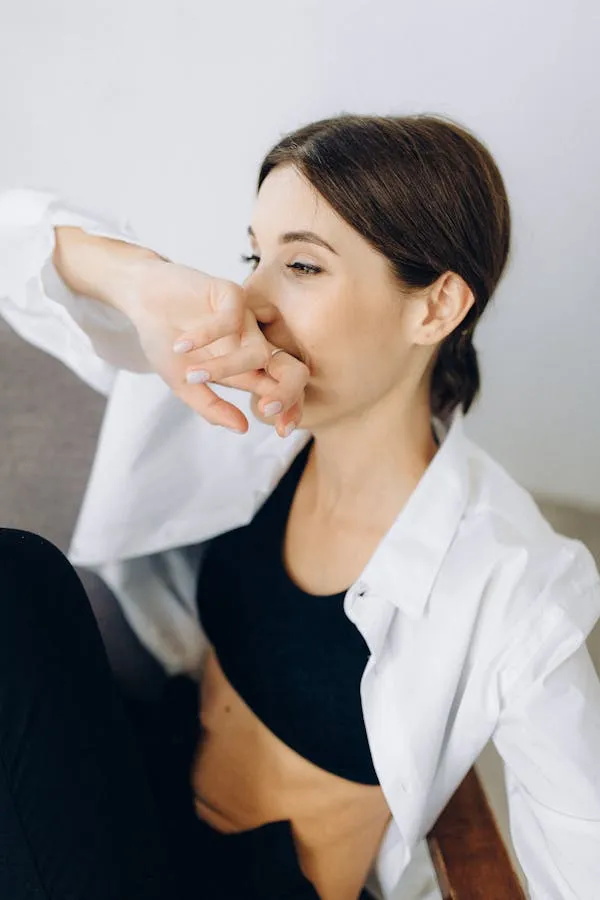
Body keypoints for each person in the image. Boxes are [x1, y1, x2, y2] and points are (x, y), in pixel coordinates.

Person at [0, 113, 599, 900]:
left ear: (436, 307)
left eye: (304, 267)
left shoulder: (513, 581)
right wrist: (143, 283)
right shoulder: (240, 421)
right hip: (137, 805)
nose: (249, 298)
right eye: (255, 254)